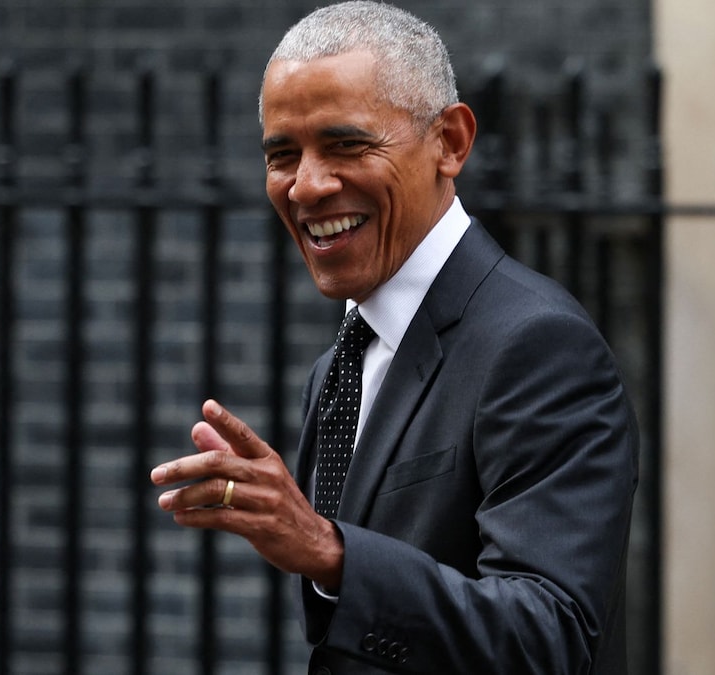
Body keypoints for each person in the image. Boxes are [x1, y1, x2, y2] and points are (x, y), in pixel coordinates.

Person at [150, 2, 640, 672]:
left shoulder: (538, 345)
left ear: (451, 142)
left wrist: (332, 551)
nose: (307, 185)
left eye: (348, 144)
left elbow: (549, 637)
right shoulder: (342, 361)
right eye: (282, 155)